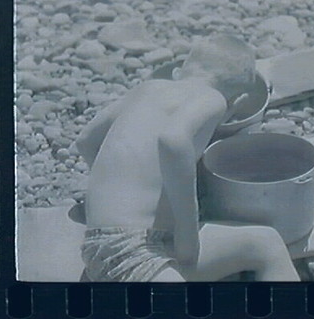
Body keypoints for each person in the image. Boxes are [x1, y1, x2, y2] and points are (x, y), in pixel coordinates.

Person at [75, 35, 300, 282]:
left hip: (100, 246)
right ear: (236, 102)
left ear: (179, 71)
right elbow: (174, 141)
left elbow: (86, 140)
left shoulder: (146, 89)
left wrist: (105, 197)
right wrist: (187, 234)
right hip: (136, 253)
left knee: (265, 242)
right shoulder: (212, 99)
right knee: (269, 246)